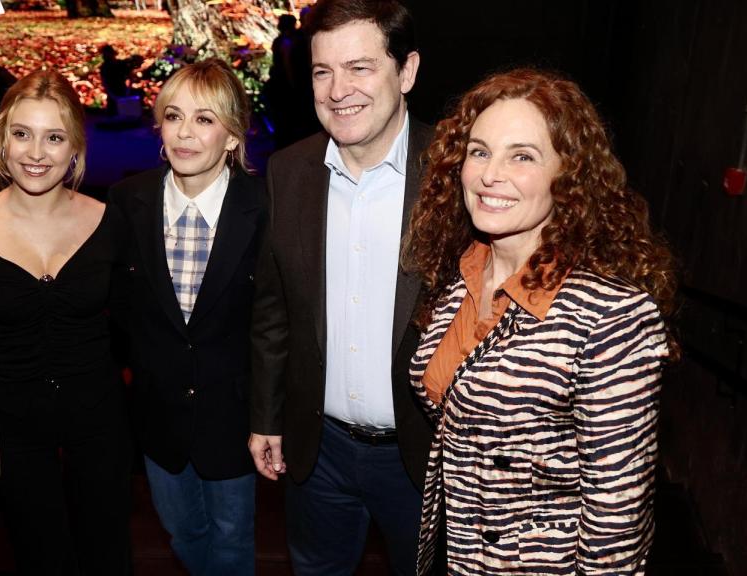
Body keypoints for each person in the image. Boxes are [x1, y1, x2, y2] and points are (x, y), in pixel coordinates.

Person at [404, 68, 677, 575]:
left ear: (568, 175)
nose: (490, 174)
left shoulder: (613, 317)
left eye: (522, 156)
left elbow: (617, 527)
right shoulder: (460, 275)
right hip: (456, 555)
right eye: (479, 151)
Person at [0, 69, 131, 575]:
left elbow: (132, 333)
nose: (36, 152)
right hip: (11, 431)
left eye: (54, 137)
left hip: (101, 427)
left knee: (109, 557)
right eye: (22, 134)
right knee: (42, 558)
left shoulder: (110, 222)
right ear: (2, 140)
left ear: (75, 147)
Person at [249, 1, 433, 573]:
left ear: (406, 72)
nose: (337, 90)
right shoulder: (287, 171)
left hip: (426, 455)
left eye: (360, 68)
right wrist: (267, 415)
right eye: (322, 71)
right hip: (318, 452)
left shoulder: (457, 170)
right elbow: (275, 312)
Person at [109, 57, 266, 576]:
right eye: (174, 116)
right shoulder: (128, 200)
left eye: (204, 119)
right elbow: (116, 313)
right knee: (184, 532)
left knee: (232, 538)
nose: (185, 133)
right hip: (157, 417)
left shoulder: (264, 206)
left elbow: (277, 323)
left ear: (231, 136)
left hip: (235, 418)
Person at [99, 44, 144, 116]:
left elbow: (130, 75)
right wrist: (112, 94)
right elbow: (105, 81)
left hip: (121, 91)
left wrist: (128, 90)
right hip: (114, 94)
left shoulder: (119, 64)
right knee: (114, 114)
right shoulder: (105, 67)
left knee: (125, 113)